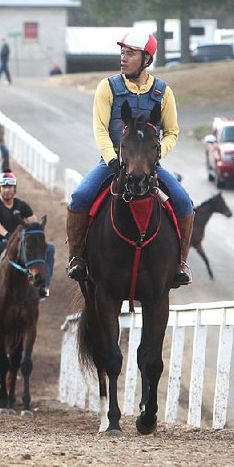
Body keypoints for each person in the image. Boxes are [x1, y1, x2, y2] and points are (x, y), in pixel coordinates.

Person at [66, 28, 194, 287]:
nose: (123, 58)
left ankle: (180, 263)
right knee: (80, 197)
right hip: (111, 163)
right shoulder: (107, 87)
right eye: (122, 52)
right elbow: (100, 129)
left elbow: (171, 132)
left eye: (130, 53)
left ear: (146, 59)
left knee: (184, 203)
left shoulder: (163, 92)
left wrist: (157, 155)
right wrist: (113, 159)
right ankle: (77, 257)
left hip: (149, 165)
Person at [0, 172, 55, 297]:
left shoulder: (22, 205)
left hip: (21, 244)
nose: (7, 190)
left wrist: (37, 235)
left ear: (14, 189)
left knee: (49, 248)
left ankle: (44, 285)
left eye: (10, 187)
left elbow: (34, 223)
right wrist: (6, 235)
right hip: (1, 242)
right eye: (4, 187)